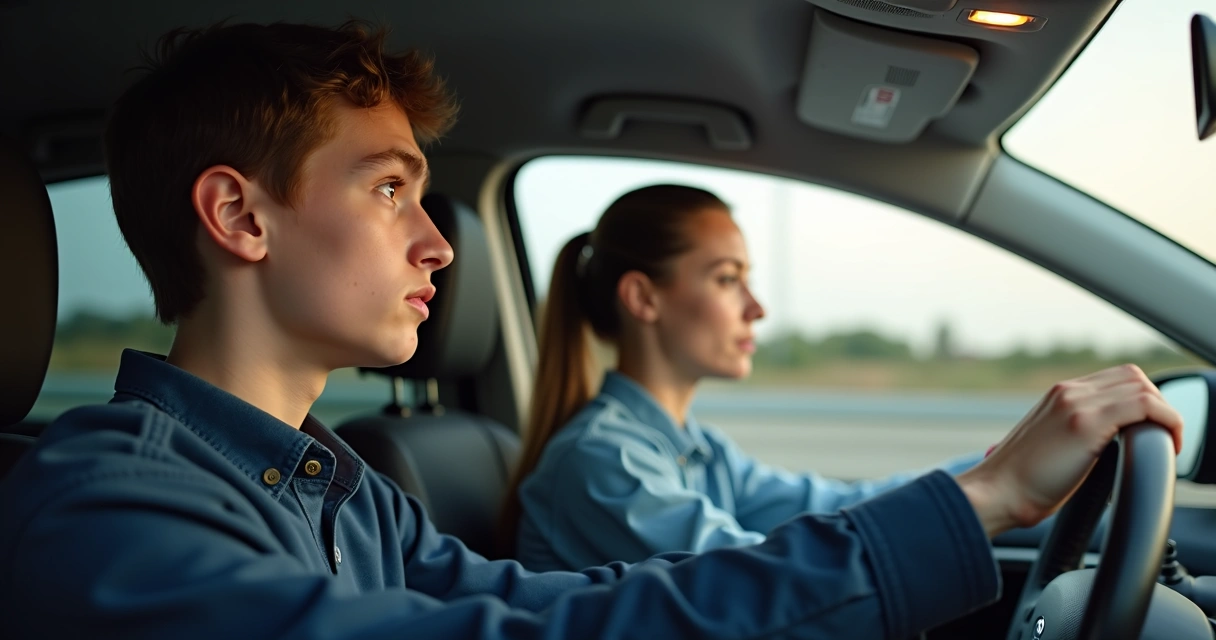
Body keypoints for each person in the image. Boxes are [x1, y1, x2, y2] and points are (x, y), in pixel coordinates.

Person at [0, 20, 1183, 640]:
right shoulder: (102, 514)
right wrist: (973, 503)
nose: (438, 245)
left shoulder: (343, 490)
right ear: (237, 215)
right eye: (386, 189)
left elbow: (539, 606)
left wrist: (979, 499)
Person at [501, 185, 988, 571]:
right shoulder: (603, 463)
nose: (757, 309)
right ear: (643, 298)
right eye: (727, 279)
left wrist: (994, 468)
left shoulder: (698, 450)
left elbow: (838, 505)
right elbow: (765, 577)